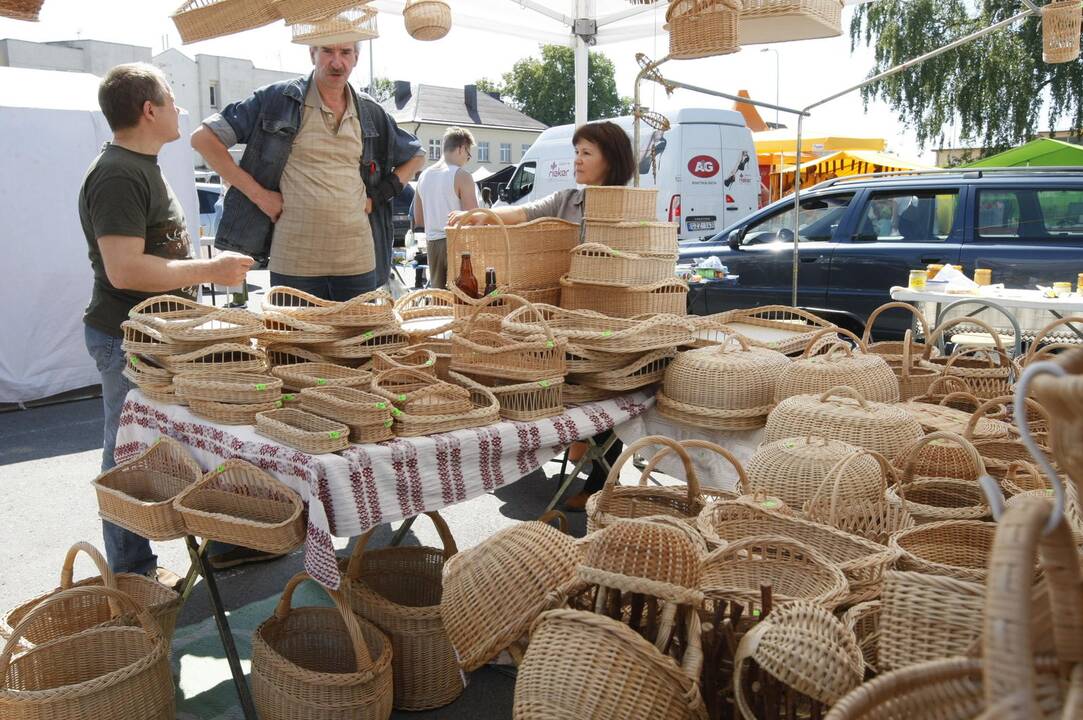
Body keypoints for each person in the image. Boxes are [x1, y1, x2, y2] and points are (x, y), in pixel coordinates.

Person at [79, 63, 253, 583]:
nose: (180, 109)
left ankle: (220, 544)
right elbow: (125, 268)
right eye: (172, 100)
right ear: (148, 110)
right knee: (128, 459)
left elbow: (156, 249)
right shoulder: (118, 173)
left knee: (191, 438)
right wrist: (210, 269)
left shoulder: (138, 165)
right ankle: (132, 576)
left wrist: (205, 263)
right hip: (128, 339)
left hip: (159, 338)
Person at [449, 121, 636, 511]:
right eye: (577, 151)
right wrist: (487, 215)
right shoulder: (570, 199)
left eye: (587, 153)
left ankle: (602, 484)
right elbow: (527, 211)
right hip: (568, 312)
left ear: (611, 160)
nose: (578, 160)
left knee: (609, 393)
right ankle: (583, 443)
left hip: (611, 316)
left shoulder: (629, 206)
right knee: (571, 386)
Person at [191, 41, 425, 301]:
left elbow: (417, 155)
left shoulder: (370, 111)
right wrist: (260, 196)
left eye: (345, 52)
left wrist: (377, 197)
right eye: (328, 51)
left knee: (358, 340)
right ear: (312, 53)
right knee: (295, 342)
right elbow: (204, 139)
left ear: (356, 58)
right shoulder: (278, 100)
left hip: (358, 261)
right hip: (294, 261)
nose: (337, 62)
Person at [414, 126, 479, 289]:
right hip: (457, 242)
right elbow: (474, 217)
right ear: (462, 148)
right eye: (468, 154)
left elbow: (419, 219)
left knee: (439, 300)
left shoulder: (423, 176)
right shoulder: (462, 176)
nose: (467, 159)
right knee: (461, 298)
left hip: (432, 244)